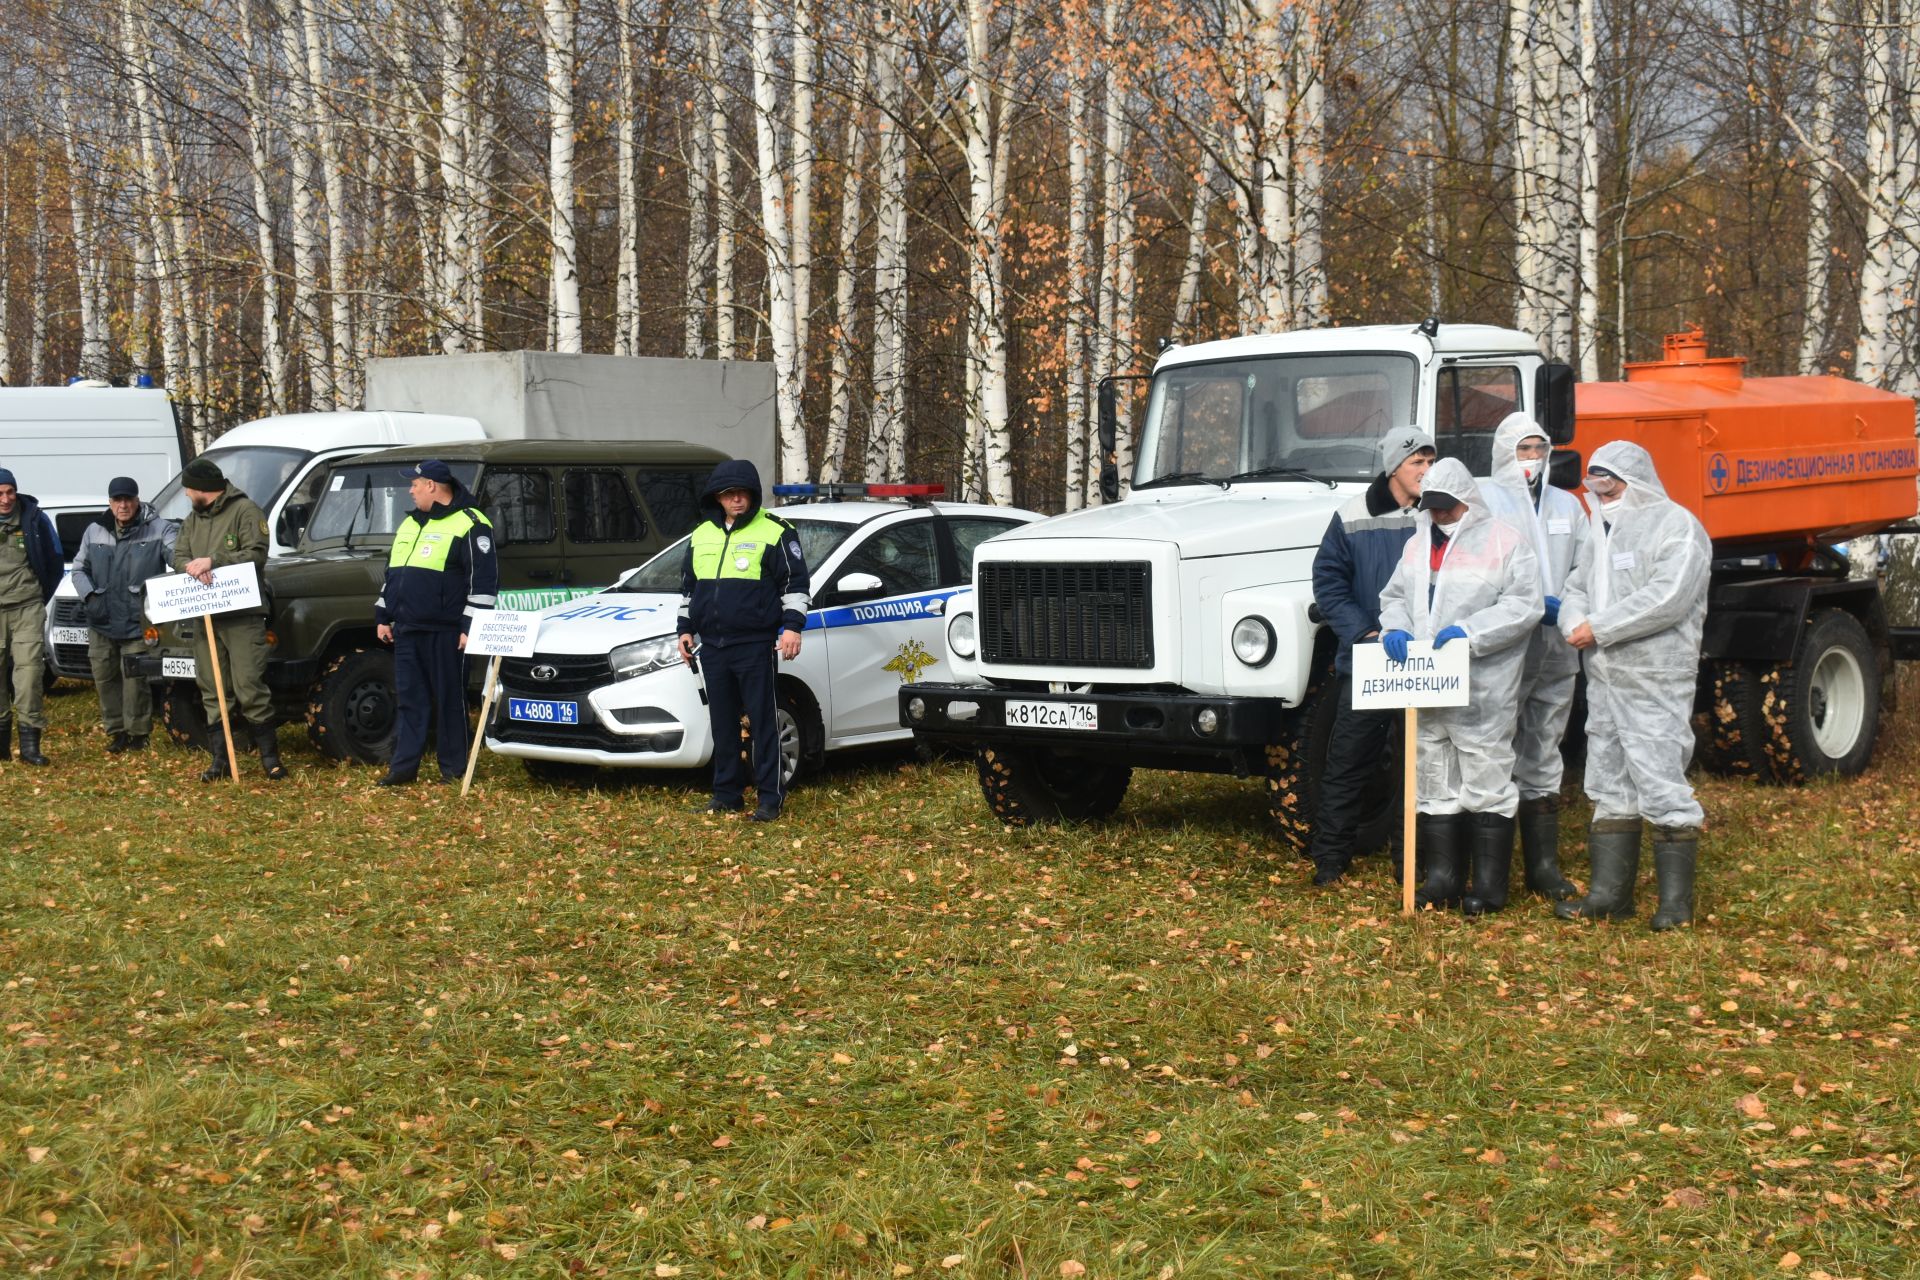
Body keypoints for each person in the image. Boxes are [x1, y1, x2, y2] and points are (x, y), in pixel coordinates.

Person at [1555, 440, 1711, 931]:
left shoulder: (1677, 526)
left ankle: (1674, 907)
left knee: (1661, 778)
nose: (1601, 490)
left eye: (1610, 480)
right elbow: (1576, 587)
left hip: (1655, 675)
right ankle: (1609, 896)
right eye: (1595, 481)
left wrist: (1601, 627)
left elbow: (1667, 597)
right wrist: (1574, 621)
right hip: (1604, 676)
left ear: (1636, 479)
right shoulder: (1599, 531)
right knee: (1608, 780)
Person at [1377, 457, 1544, 913]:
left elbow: (1524, 606)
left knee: (1486, 775)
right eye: (1432, 507)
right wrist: (1394, 627)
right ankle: (1443, 880)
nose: (1440, 515)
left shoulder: (1504, 543)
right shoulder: (1416, 545)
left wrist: (1471, 632)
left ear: (1467, 501)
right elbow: (1394, 596)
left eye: (1448, 507)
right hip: (1426, 685)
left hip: (1482, 687)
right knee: (1433, 778)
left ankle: (1489, 888)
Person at [1305, 428, 1435, 884]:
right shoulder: (1352, 516)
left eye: (1429, 461)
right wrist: (1365, 631)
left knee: (1418, 767)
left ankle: (1410, 865)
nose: (1425, 470)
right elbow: (1329, 581)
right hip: (1368, 663)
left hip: (1426, 665)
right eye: (1417, 462)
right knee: (1347, 763)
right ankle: (1330, 861)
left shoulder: (1440, 511)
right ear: (1394, 467)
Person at [1478, 414, 1586, 901]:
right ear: (1504, 452)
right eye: (1522, 450)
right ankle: (1490, 870)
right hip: (1506, 645)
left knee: (1545, 742)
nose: (1532, 459)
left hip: (1558, 644)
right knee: (1496, 741)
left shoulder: (1568, 505)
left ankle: (1542, 867)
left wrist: (1572, 608)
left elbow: (1586, 566)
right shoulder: (1486, 500)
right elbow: (1476, 569)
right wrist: (1522, 606)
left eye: (1539, 449)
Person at [675, 459, 809, 822]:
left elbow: (795, 585)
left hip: (755, 644)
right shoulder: (702, 534)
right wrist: (684, 629)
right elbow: (689, 589)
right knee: (723, 725)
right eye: (728, 494)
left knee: (764, 723)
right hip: (713, 646)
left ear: (752, 494)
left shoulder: (777, 531)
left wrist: (792, 627)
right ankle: (727, 795)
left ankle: (769, 799)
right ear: (717, 498)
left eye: (742, 493)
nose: (736, 500)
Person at [374, 459, 498, 786]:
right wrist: (383, 615)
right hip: (407, 629)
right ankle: (403, 769)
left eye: (415, 484)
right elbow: (393, 575)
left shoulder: (471, 522)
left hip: (447, 632)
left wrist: (470, 628)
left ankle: (454, 769)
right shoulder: (410, 523)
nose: (410, 490)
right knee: (410, 700)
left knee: (449, 702)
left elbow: (483, 583)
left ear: (431, 485)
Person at [174, 456, 285, 781]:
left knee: (249, 685)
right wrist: (190, 567)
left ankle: (270, 759)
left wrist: (215, 561)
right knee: (212, 687)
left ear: (203, 489)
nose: (185, 495)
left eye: (188, 489)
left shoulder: (245, 511)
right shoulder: (192, 520)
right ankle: (220, 760)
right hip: (206, 615)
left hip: (242, 615)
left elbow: (256, 554)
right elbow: (179, 554)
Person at [70, 477, 180, 753]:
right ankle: (116, 732)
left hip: (136, 621)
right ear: (110, 502)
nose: (123, 505)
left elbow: (178, 556)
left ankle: (138, 734)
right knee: (105, 678)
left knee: (135, 682)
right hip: (101, 620)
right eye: (117, 500)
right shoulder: (94, 530)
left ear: (137, 500)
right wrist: (90, 596)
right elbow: (78, 569)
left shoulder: (158, 529)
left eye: (128, 499)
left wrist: (193, 565)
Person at [0, 467, 63, 765]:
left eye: (10, 491)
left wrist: (39, 598)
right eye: (0, 493)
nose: (6, 498)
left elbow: (54, 561)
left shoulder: (34, 519)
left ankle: (29, 747)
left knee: (28, 676)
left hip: (27, 607)